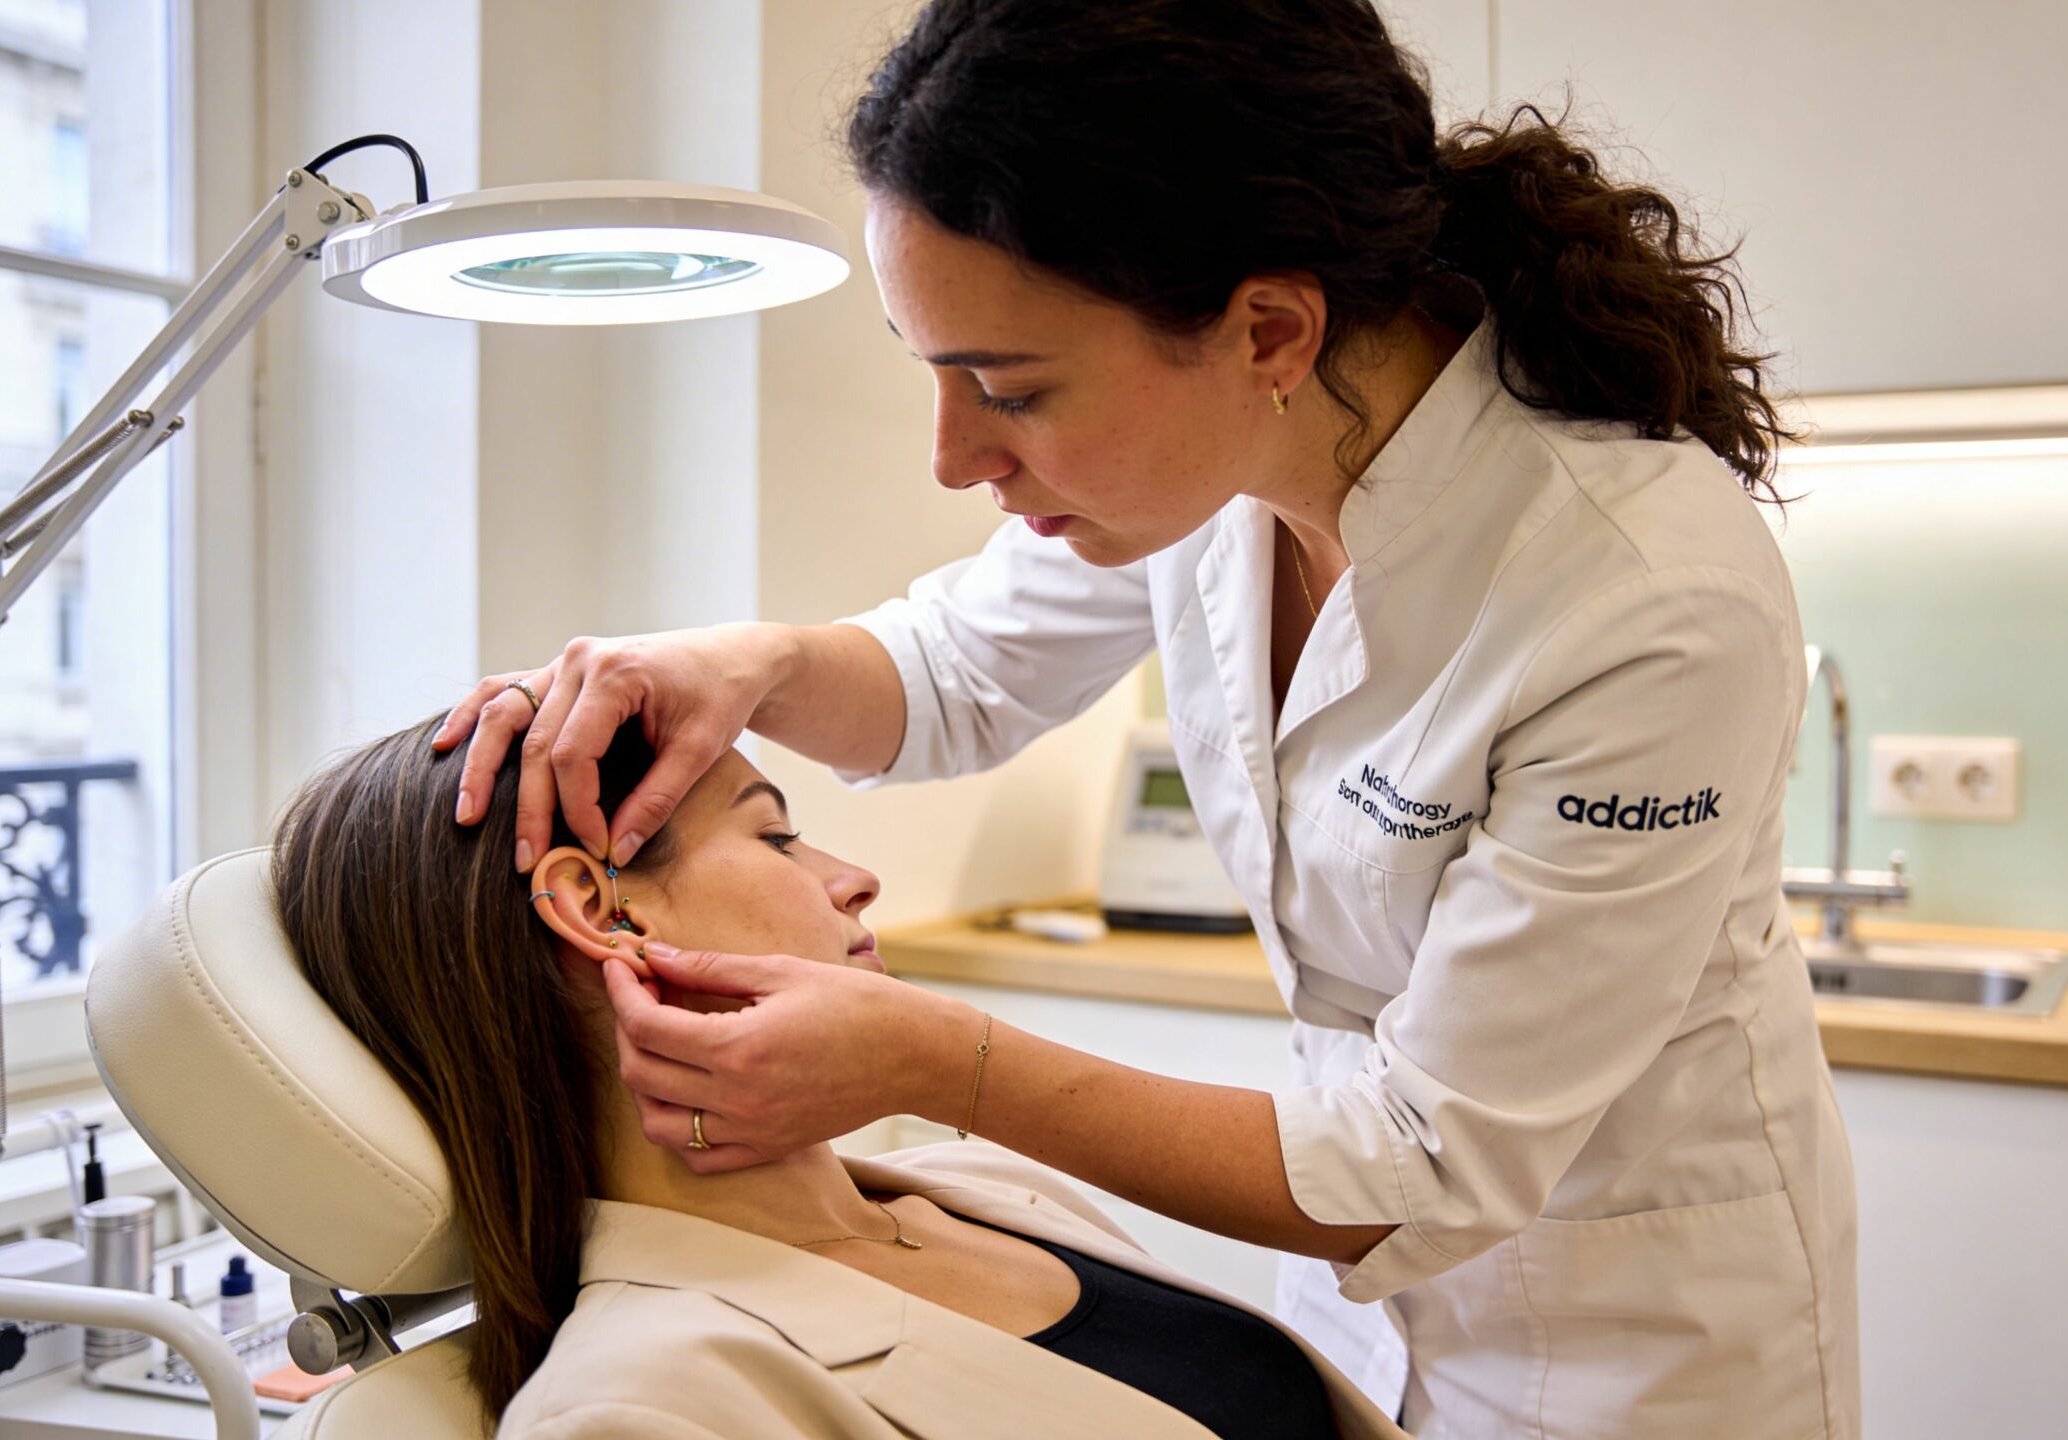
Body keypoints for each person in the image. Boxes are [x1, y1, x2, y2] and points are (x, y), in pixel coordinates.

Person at [435, 1, 1858, 1433]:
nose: (955, 456)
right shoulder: (1222, 464)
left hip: (1638, 1340)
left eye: (1010, 388)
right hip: (1357, 1313)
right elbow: (955, 674)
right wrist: (746, 662)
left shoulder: (1639, 597)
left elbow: (1428, 1163)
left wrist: (932, 1057)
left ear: (1270, 330)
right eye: (935, 371)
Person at [273, 715, 1407, 1438]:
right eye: (774, 840)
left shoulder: (993, 1189)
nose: (854, 877)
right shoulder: (643, 1404)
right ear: (596, 908)